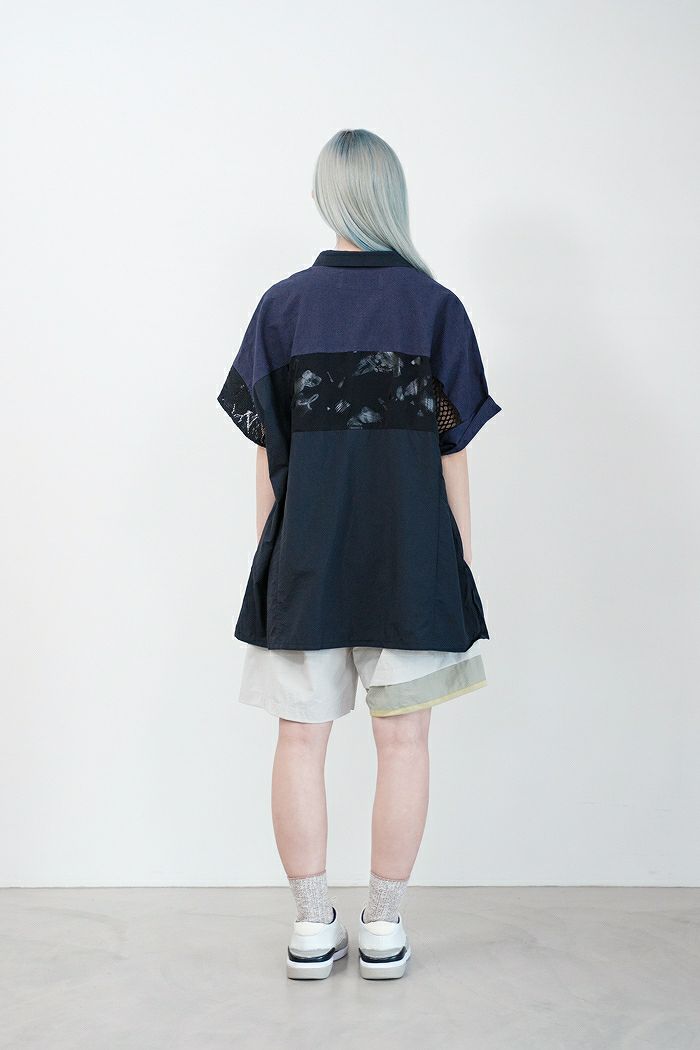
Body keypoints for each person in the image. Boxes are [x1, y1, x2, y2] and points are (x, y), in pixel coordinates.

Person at [217, 128, 501, 980]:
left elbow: (266, 451)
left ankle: (312, 927)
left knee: (300, 741)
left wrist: (273, 556)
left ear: (325, 197)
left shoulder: (283, 307)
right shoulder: (435, 307)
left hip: (306, 559)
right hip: (412, 561)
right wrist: (458, 561)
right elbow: (453, 453)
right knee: (405, 743)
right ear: (391, 196)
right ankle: (383, 926)